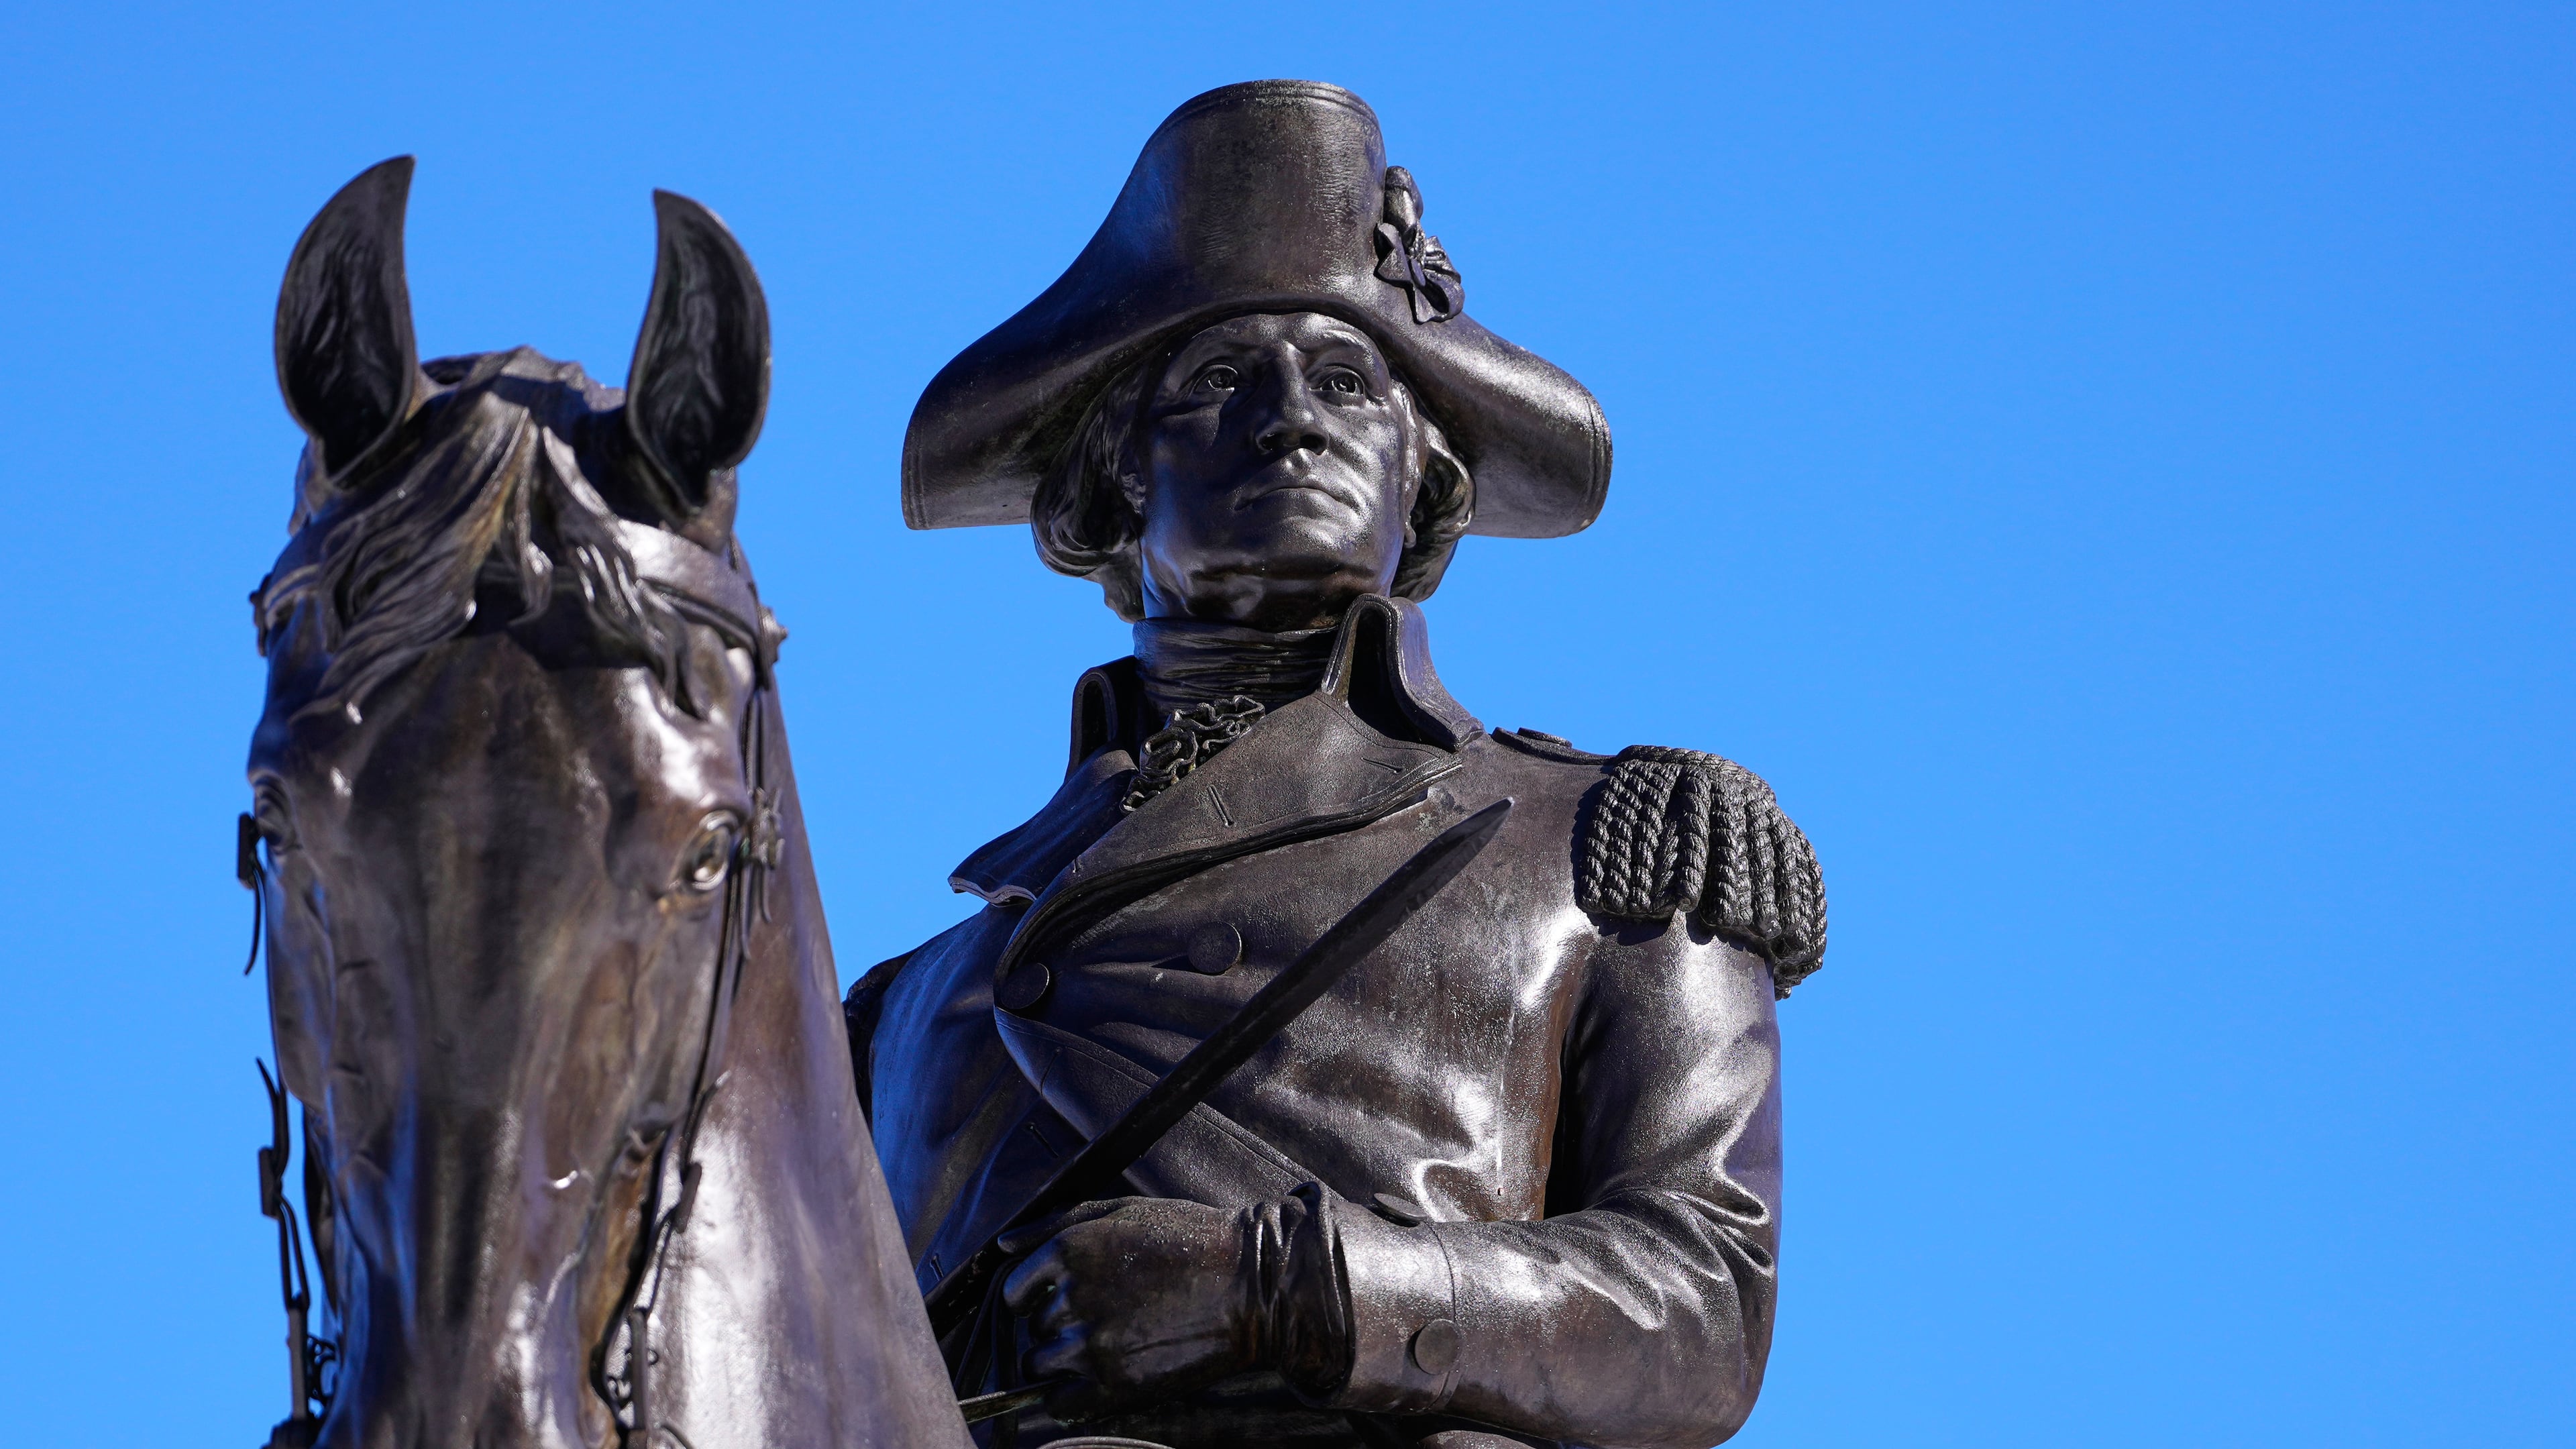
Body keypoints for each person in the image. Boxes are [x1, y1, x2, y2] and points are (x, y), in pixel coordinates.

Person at [851, 80, 1826, 1449]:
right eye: (1218, 381)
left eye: (1350, 382)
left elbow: (1700, 1306)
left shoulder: (1608, 845)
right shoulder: (897, 1013)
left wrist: (1284, 1291)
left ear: (1422, 478)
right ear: (1114, 480)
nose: (1291, 419)